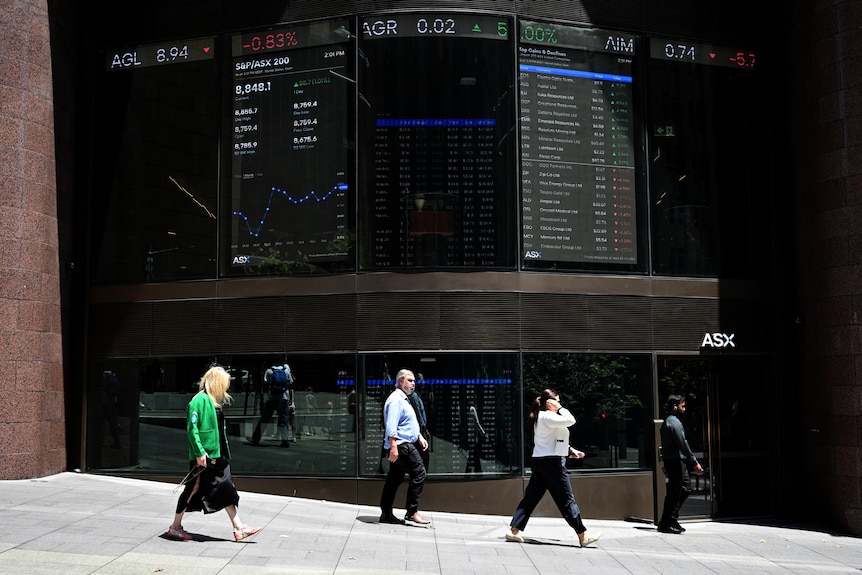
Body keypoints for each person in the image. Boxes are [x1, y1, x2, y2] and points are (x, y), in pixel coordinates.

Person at [167, 365, 261, 542]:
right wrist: (200, 452)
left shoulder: (212, 401)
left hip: (218, 455)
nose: (225, 389)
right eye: (224, 384)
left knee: (227, 487)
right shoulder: (199, 400)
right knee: (193, 488)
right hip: (205, 456)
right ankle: (175, 526)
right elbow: (192, 429)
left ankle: (239, 527)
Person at [507, 389, 600, 547]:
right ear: (549, 403)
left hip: (540, 460)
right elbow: (571, 420)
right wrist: (561, 409)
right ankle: (583, 535)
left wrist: (570, 450)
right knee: (566, 499)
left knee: (531, 497)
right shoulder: (549, 416)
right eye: (557, 401)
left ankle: (513, 530)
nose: (560, 404)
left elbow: (554, 438)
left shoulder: (542, 416)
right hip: (552, 463)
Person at [379, 369, 430, 525]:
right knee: (419, 472)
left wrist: (419, 436)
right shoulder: (396, 400)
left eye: (414, 381)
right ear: (401, 381)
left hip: (403, 443)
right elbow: (391, 425)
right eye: (410, 380)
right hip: (401, 445)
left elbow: (406, 423)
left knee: (394, 478)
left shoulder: (404, 399)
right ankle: (411, 511)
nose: (413, 384)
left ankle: (386, 513)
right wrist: (393, 446)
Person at [657, 394, 703, 534]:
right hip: (675, 461)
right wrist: (694, 462)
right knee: (674, 492)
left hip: (677, 461)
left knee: (685, 488)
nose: (685, 409)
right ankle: (667, 522)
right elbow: (683, 444)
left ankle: (670, 519)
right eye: (682, 406)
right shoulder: (674, 422)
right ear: (675, 406)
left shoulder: (672, 421)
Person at [250, 364, 294, 447]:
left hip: (272, 398)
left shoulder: (269, 371)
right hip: (283, 398)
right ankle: (285, 441)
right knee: (284, 420)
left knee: (265, 419)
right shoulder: (286, 370)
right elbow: (290, 384)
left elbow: (265, 384)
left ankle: (256, 439)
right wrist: (290, 398)